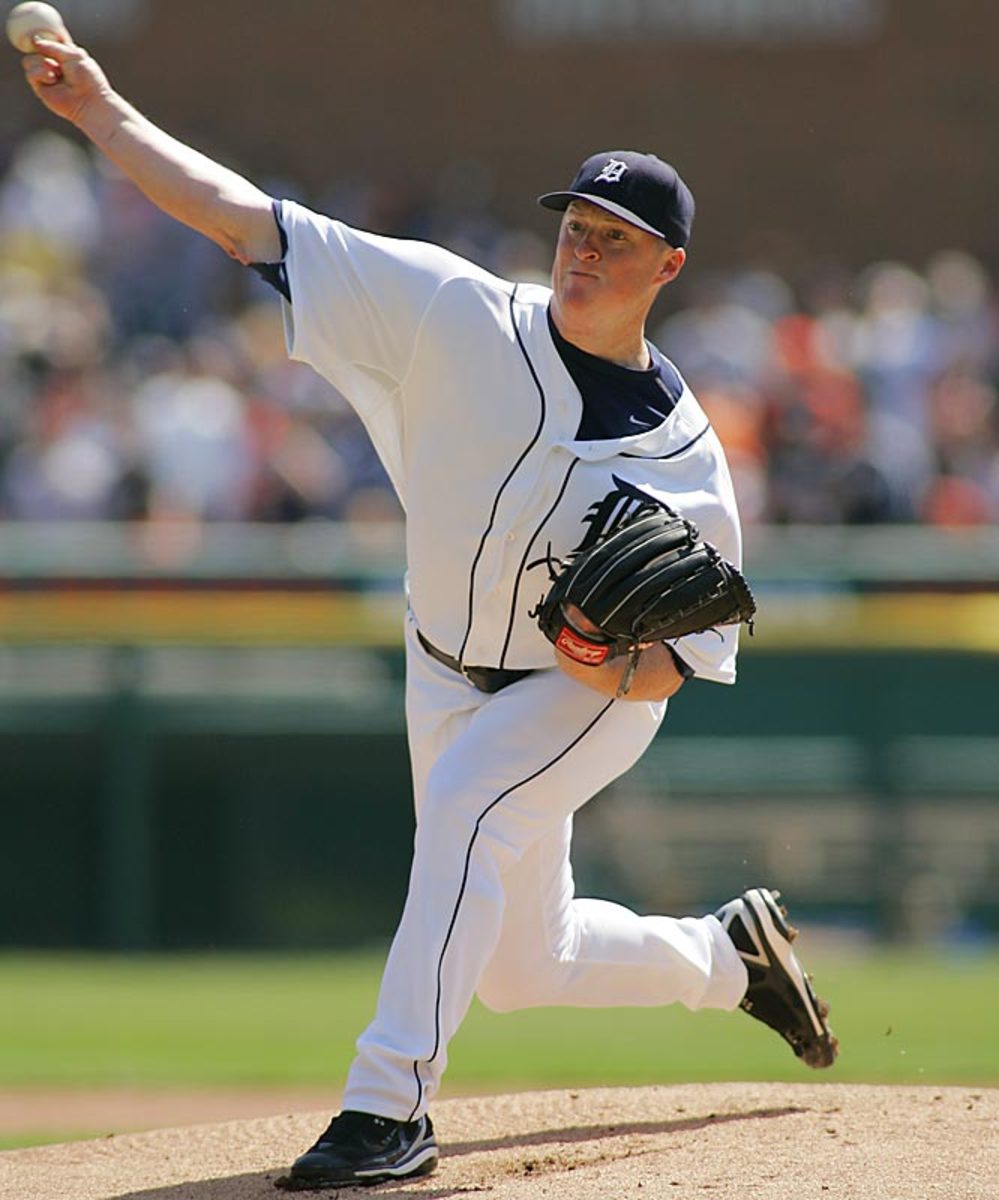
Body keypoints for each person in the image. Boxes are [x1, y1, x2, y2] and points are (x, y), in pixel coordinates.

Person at [21, 33, 838, 1190]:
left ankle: (388, 1108)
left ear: (669, 267)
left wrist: (613, 663)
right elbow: (246, 220)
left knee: (465, 804)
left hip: (581, 694)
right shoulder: (455, 310)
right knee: (524, 964)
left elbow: (685, 661)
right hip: (439, 662)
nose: (585, 253)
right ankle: (729, 958)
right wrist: (102, 116)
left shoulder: (689, 463)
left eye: (617, 241)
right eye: (576, 229)